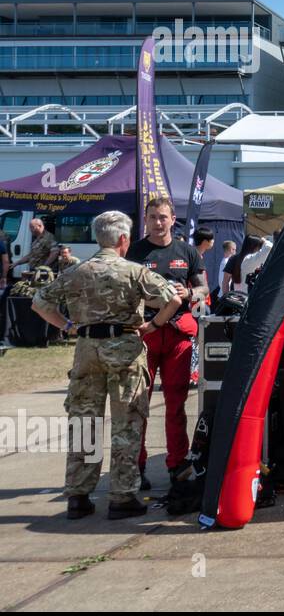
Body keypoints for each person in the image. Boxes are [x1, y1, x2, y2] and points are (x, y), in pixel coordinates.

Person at [31, 210, 181, 519]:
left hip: (86, 350)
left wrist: (69, 325)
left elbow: (39, 302)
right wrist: (153, 326)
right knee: (126, 422)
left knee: (85, 421)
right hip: (125, 349)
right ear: (124, 239)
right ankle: (122, 496)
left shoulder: (76, 271)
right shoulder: (135, 272)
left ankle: (79, 495)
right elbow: (173, 299)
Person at [127, 196, 207, 488]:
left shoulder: (187, 251)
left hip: (177, 337)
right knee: (138, 404)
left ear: (173, 219)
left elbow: (203, 286)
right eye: (152, 217)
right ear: (145, 220)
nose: (158, 223)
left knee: (176, 404)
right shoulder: (135, 252)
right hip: (144, 335)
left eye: (163, 217)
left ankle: (176, 464)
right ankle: (137, 465)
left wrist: (191, 294)